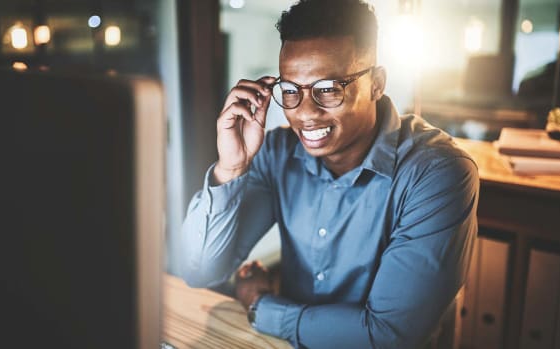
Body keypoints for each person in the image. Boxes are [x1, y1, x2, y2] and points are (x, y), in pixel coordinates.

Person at [179, 0, 479, 348]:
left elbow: (387, 337)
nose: (305, 113)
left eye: (327, 89)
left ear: (377, 84)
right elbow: (197, 270)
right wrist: (230, 168)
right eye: (290, 90)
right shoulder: (276, 152)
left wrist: (261, 306)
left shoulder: (437, 175)